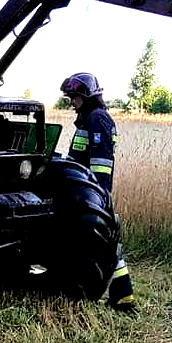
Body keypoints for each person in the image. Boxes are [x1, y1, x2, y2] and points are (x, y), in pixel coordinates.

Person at [60, 72, 135, 313]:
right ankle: (121, 295)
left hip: (92, 195)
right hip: (84, 193)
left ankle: (123, 297)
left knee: (107, 245)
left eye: (75, 97)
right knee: (106, 244)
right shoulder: (89, 119)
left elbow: (101, 166)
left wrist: (98, 199)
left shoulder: (97, 120)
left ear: (87, 96)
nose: (72, 102)